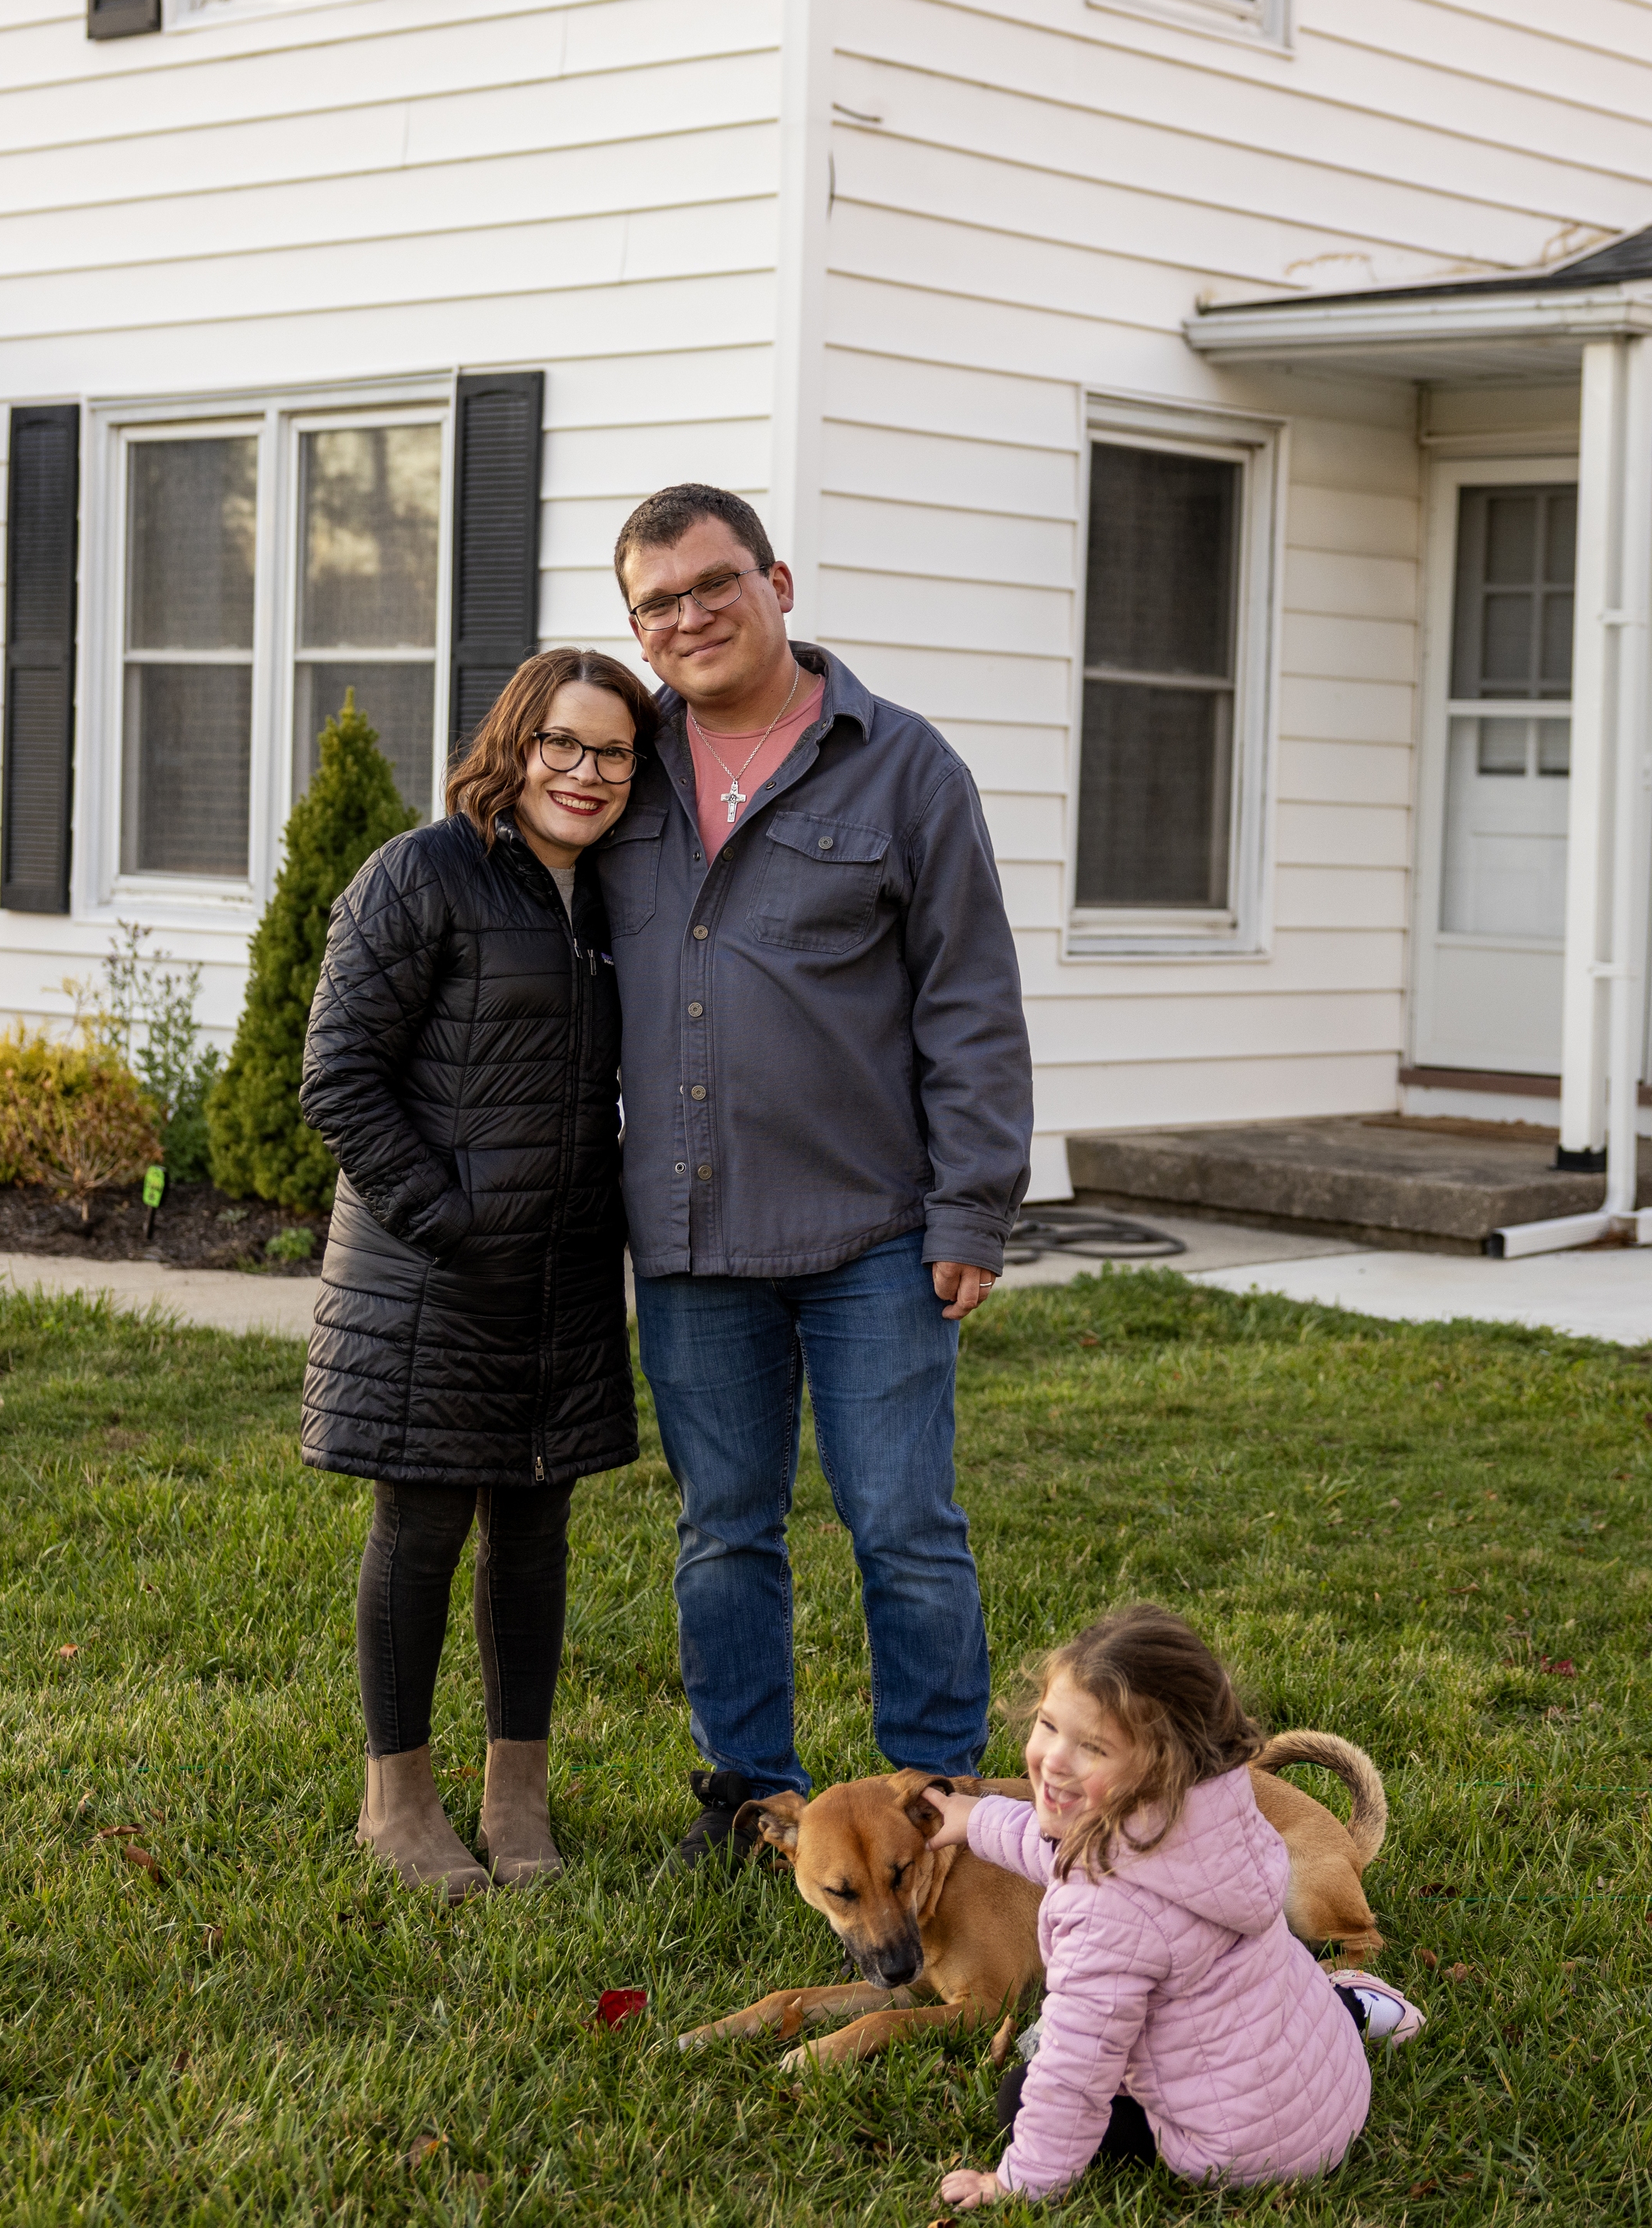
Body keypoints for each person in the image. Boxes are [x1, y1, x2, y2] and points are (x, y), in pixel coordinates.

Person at [594, 482, 1032, 1861]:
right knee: (724, 1528)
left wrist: (972, 1205)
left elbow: (970, 1000)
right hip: (686, 1232)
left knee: (903, 1523)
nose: (689, 617)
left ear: (777, 582)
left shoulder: (905, 771)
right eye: (656, 604)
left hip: (870, 1236)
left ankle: (936, 1804)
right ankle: (748, 1797)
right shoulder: (619, 775)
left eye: (712, 584)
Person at [298, 647, 656, 1899]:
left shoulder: (621, 901)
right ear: (516, 743)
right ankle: (395, 1801)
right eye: (562, 743)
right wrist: (448, 1219)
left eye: (613, 752)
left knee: (537, 1527)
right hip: (433, 1271)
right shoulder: (421, 876)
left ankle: (517, 1797)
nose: (586, 773)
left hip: (562, 1277)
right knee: (427, 1522)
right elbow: (337, 1077)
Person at [925, 1605, 1424, 2206]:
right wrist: (972, 1818)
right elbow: (1065, 1850)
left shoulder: (1107, 1920)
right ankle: (1360, 2008)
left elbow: (1075, 2074)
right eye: (1050, 1726)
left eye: (1093, 1748)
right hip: (1331, 2080)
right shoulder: (1212, 1810)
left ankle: (1351, 2009)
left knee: (1021, 2092)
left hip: (1246, 2150)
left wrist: (1019, 2182)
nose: (1054, 1759)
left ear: (1159, 1768)